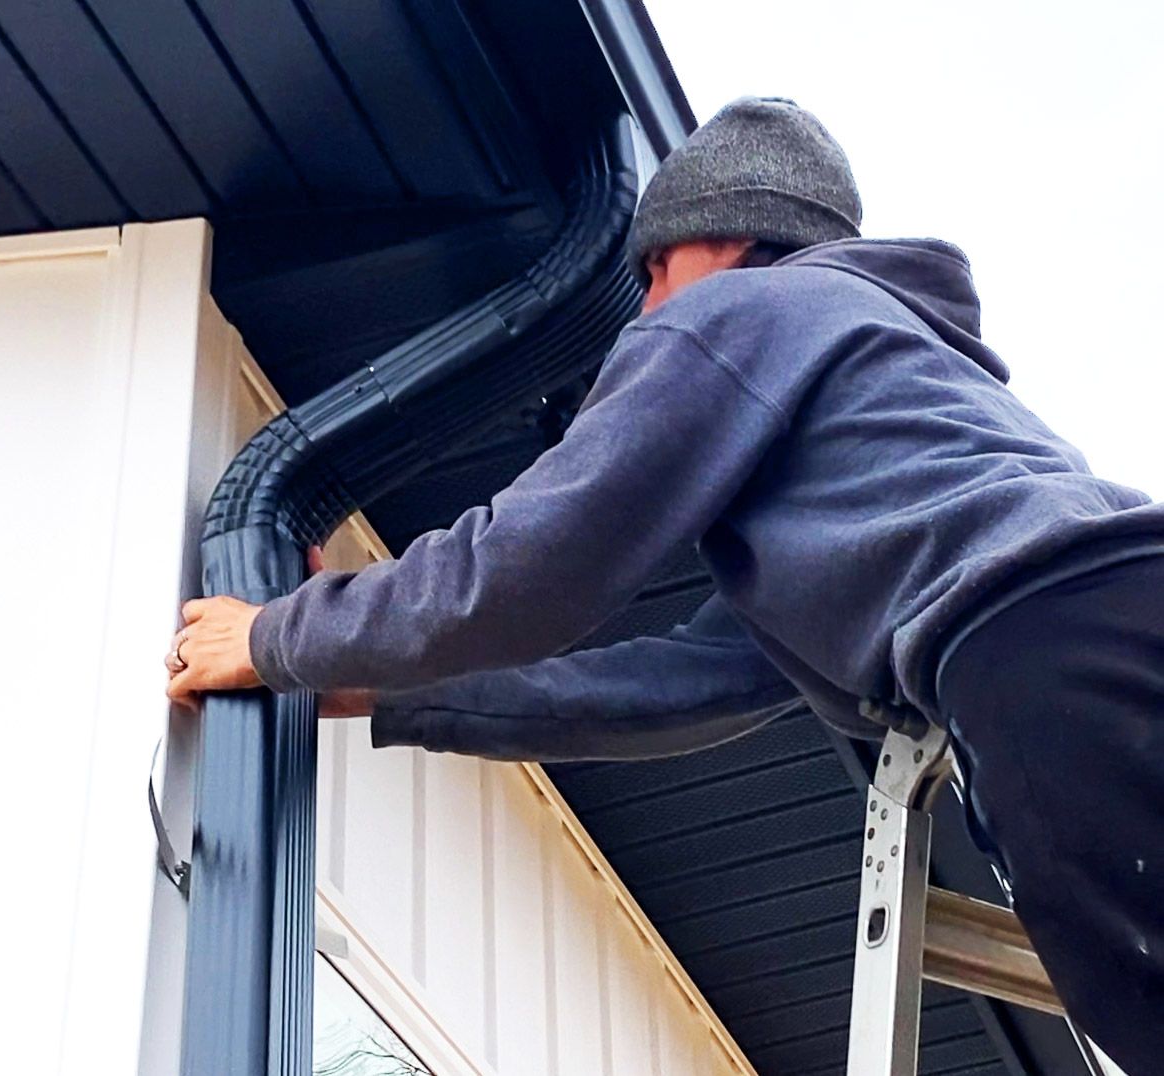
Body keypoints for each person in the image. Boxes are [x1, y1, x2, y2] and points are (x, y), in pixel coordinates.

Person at [165, 98, 1164, 1073]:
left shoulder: (744, 311)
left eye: (653, 268)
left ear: (730, 237)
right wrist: (385, 686)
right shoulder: (896, 433)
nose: (644, 309)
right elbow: (681, 681)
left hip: (1046, 647)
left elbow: (529, 567)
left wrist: (278, 634)